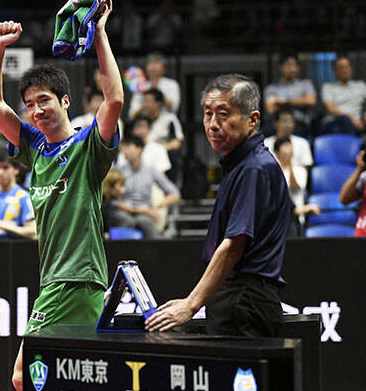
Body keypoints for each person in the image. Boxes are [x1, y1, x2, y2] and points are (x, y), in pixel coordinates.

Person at [0, 0, 123, 391]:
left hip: (73, 280)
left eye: (44, 100)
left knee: (24, 375)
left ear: (65, 101)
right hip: (63, 281)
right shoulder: (34, 149)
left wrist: (99, 37)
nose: (36, 110)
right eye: (29, 105)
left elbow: (113, 100)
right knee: (82, 374)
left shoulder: (88, 148)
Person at [146, 74, 291, 337]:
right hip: (235, 298)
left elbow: (234, 243)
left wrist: (191, 304)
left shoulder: (254, 168)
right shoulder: (240, 165)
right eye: (207, 114)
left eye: (223, 114)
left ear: (253, 119)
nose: (212, 124)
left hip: (244, 302)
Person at [112, 135, 181, 239]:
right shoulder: (119, 171)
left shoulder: (150, 170)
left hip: (146, 212)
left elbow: (175, 194)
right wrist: (144, 211)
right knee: (124, 219)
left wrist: (157, 205)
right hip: (124, 210)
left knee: (146, 222)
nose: (124, 151)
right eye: (123, 148)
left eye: (128, 147)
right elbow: (113, 201)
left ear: (139, 149)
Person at [320, 55, 366, 135]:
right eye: (341, 67)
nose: (345, 70)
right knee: (345, 121)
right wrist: (350, 118)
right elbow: (331, 109)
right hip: (335, 121)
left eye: (347, 67)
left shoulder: (360, 85)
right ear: (335, 71)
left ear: (351, 69)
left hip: (359, 121)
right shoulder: (328, 87)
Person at [272, 137, 318, 236]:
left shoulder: (300, 170)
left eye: (290, 146)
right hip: (276, 219)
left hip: (295, 217)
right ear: (276, 151)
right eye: (284, 146)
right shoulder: (272, 171)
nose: (288, 150)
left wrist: (289, 165)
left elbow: (294, 186)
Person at [263, 53, 317, 137]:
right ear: (281, 67)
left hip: (298, 123)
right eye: (289, 65)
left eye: (295, 65)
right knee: (265, 132)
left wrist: (284, 102)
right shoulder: (271, 88)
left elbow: (311, 101)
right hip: (278, 123)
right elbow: (270, 109)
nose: (292, 68)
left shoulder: (305, 84)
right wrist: (300, 101)